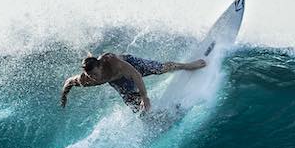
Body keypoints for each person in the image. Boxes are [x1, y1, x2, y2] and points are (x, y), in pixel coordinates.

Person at [59, 52, 207, 113]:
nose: (94, 78)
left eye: (95, 74)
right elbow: (69, 82)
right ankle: (156, 118)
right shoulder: (86, 80)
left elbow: (136, 76)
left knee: (159, 69)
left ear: (100, 66)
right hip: (118, 82)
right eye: (90, 76)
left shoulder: (112, 62)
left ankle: (187, 65)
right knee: (136, 108)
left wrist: (145, 97)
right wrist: (64, 96)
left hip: (131, 66)